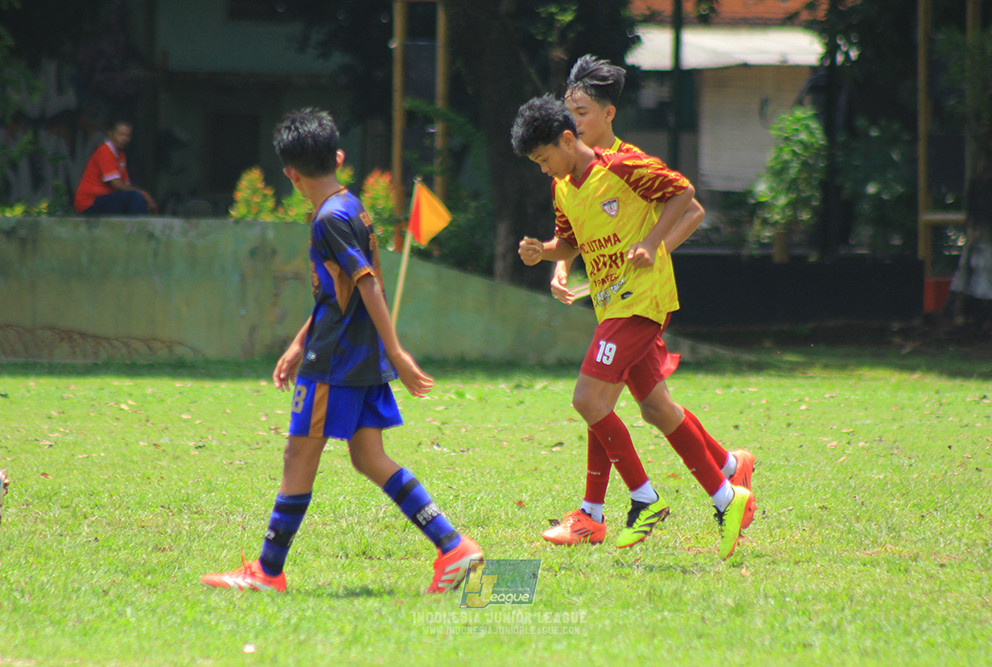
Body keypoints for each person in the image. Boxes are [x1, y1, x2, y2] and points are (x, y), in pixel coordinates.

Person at [201, 108, 481, 593]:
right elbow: (342, 294)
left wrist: (396, 350)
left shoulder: (328, 219)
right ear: (339, 156)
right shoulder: (351, 208)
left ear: (290, 175)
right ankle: (454, 546)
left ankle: (267, 572)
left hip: (335, 362)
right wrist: (298, 342)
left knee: (297, 458)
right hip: (354, 356)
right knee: (370, 457)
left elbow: (366, 282)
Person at [512, 95, 755, 560]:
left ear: (567, 139)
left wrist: (651, 241)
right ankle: (727, 497)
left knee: (588, 399)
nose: (544, 170)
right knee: (656, 410)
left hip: (641, 301)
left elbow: (683, 193)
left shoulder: (621, 166)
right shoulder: (563, 186)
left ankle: (641, 500)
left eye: (544, 159)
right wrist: (543, 252)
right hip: (609, 306)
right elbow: (568, 244)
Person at [551, 55, 640, 305]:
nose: (573, 122)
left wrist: (653, 248)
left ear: (609, 114)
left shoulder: (630, 163)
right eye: (568, 114)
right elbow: (572, 233)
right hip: (608, 301)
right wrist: (561, 271)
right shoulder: (566, 175)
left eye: (581, 112)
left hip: (641, 299)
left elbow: (690, 211)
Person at [74, 120, 157, 215]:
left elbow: (125, 185)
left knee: (135, 197)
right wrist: (144, 194)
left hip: (106, 199)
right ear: (111, 134)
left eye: (128, 136)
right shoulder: (105, 151)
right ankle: (140, 227)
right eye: (121, 135)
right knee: (134, 196)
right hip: (89, 203)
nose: (125, 139)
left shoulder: (121, 155)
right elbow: (117, 184)